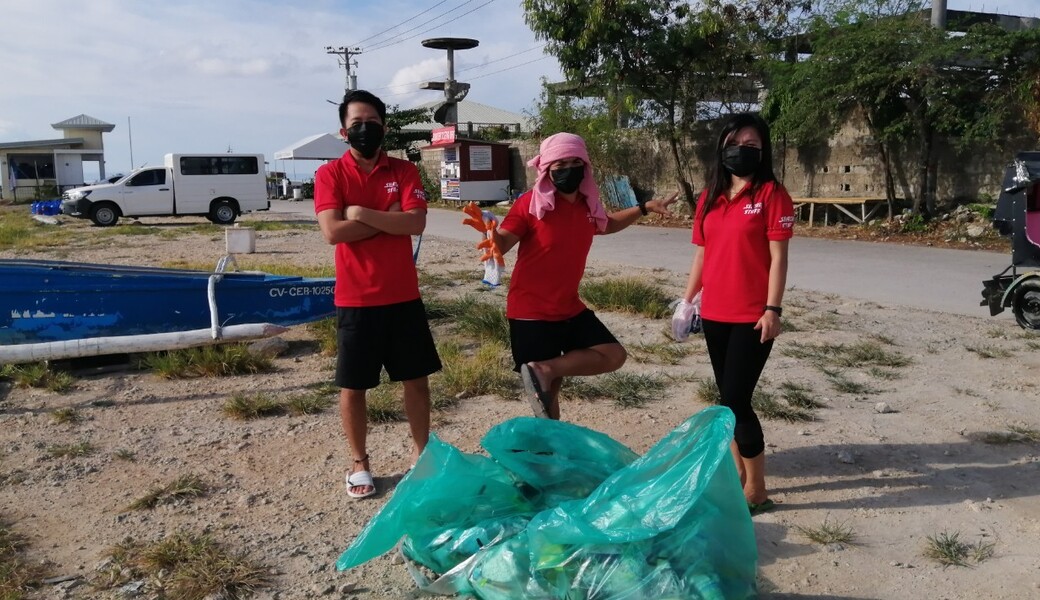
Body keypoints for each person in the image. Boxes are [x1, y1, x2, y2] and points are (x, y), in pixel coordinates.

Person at [487, 132, 677, 420]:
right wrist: (489, 236)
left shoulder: (587, 204)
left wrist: (644, 208)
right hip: (531, 311)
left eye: (576, 162)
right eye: (560, 163)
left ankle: (546, 379)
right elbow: (502, 242)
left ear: (585, 166)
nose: (569, 169)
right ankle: (548, 450)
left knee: (612, 355)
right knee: (546, 394)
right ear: (547, 168)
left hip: (568, 307)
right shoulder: (531, 204)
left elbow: (607, 224)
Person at [314, 90, 441, 499]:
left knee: (415, 381)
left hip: (403, 296)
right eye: (356, 125)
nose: (364, 130)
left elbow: (417, 224)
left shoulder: (404, 171)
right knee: (353, 387)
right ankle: (359, 463)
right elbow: (333, 233)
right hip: (355, 300)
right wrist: (392, 220)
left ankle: (422, 456)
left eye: (371, 123)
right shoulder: (329, 175)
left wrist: (362, 214)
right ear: (343, 131)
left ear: (384, 128)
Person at [675, 112, 794, 515]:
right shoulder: (710, 196)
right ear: (721, 146)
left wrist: (772, 309)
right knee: (727, 403)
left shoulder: (772, 195)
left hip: (752, 317)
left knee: (736, 402)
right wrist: (687, 300)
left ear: (763, 152)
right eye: (735, 143)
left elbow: (779, 259)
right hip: (715, 314)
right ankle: (739, 477)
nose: (742, 151)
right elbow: (702, 253)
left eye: (752, 146)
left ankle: (757, 490)